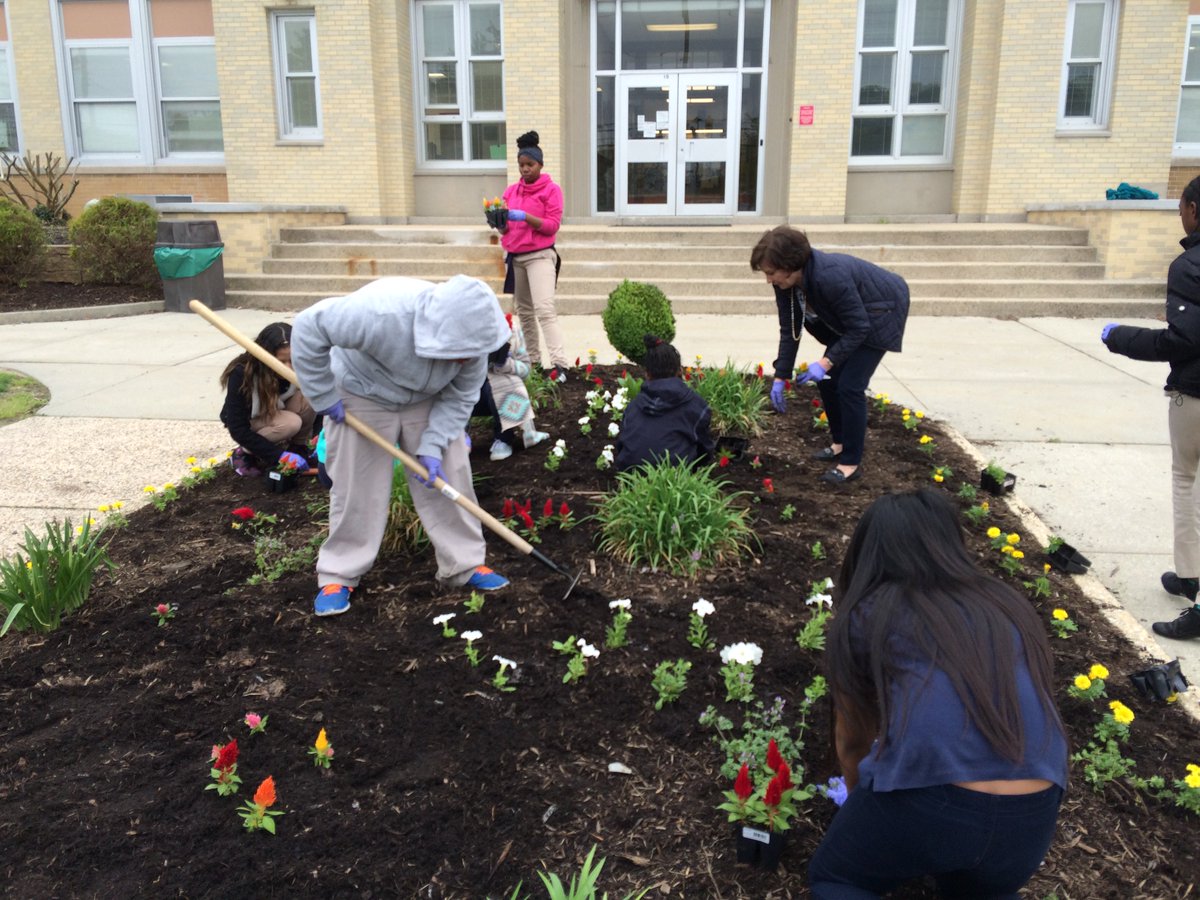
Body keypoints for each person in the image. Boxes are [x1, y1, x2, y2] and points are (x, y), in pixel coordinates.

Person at [810, 489, 1067, 899]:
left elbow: (854, 741)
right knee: (979, 889)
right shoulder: (1005, 603)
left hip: (932, 803)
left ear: (869, 552)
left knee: (838, 879)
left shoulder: (869, 612)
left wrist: (861, 812)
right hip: (1034, 806)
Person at [290, 274, 512, 617]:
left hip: (427, 397)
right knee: (356, 483)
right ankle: (339, 573)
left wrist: (434, 444)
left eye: (474, 355)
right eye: (462, 354)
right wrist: (322, 395)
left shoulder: (475, 345)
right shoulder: (380, 315)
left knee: (451, 473)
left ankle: (464, 564)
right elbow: (308, 327)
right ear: (442, 333)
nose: (469, 361)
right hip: (361, 390)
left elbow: (461, 398)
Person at [1102, 175, 1200, 640]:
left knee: (1187, 482)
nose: (1180, 216)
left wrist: (1120, 337)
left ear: (1194, 210)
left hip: (1196, 395)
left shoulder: (1190, 265)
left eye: (1181, 208)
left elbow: (1183, 339)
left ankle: (1197, 591)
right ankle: (1188, 573)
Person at [750, 226, 910, 485]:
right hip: (851, 321)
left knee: (849, 386)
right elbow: (790, 328)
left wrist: (825, 362)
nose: (769, 280)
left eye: (771, 273)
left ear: (790, 264)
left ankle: (850, 463)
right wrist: (780, 376)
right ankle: (840, 443)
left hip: (881, 312)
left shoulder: (829, 276)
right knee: (827, 381)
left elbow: (860, 328)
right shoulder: (786, 283)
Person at [493, 130, 570, 381]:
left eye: (530, 164)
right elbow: (506, 229)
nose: (525, 169)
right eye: (521, 165)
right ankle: (534, 361)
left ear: (540, 164)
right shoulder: (511, 192)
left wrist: (525, 216)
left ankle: (560, 364)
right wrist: (498, 222)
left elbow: (551, 226)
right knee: (524, 311)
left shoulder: (551, 190)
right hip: (516, 256)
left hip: (540, 256)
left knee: (544, 308)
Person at [219, 321, 315, 476]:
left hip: (277, 409)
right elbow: (237, 427)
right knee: (291, 423)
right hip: (251, 420)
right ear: (265, 356)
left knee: (311, 396)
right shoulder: (243, 373)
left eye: (292, 360)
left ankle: (298, 448)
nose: (288, 368)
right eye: (281, 361)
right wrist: (278, 456)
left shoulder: (300, 366)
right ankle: (244, 453)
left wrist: (319, 439)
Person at [614, 335, 715, 472]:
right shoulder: (695, 405)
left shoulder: (634, 406)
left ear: (647, 374)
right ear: (679, 371)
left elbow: (622, 444)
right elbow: (704, 450)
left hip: (632, 477)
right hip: (673, 480)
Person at [483, 314, 549, 461]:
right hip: (468, 392)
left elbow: (525, 369)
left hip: (494, 393)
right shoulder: (460, 329)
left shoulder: (512, 330)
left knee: (507, 382)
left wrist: (505, 364)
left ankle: (504, 439)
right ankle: (457, 439)